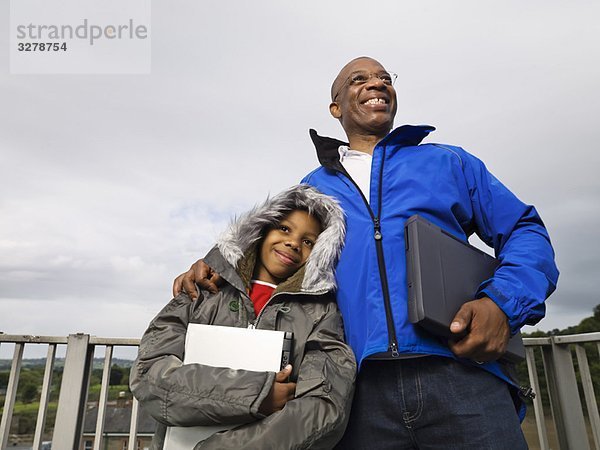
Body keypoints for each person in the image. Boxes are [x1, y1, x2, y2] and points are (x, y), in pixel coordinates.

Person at [175, 57, 559, 449]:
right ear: (336, 108)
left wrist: (501, 304)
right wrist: (215, 265)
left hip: (462, 377)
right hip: (353, 391)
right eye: (359, 79)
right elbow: (270, 251)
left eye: (384, 79)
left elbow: (525, 231)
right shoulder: (313, 188)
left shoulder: (450, 162)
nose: (377, 84)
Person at [131, 184, 356, 450]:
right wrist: (259, 394)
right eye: (284, 228)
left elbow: (323, 409)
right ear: (260, 229)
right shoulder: (200, 292)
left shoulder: (321, 313)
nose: (294, 243)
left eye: (309, 242)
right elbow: (149, 376)